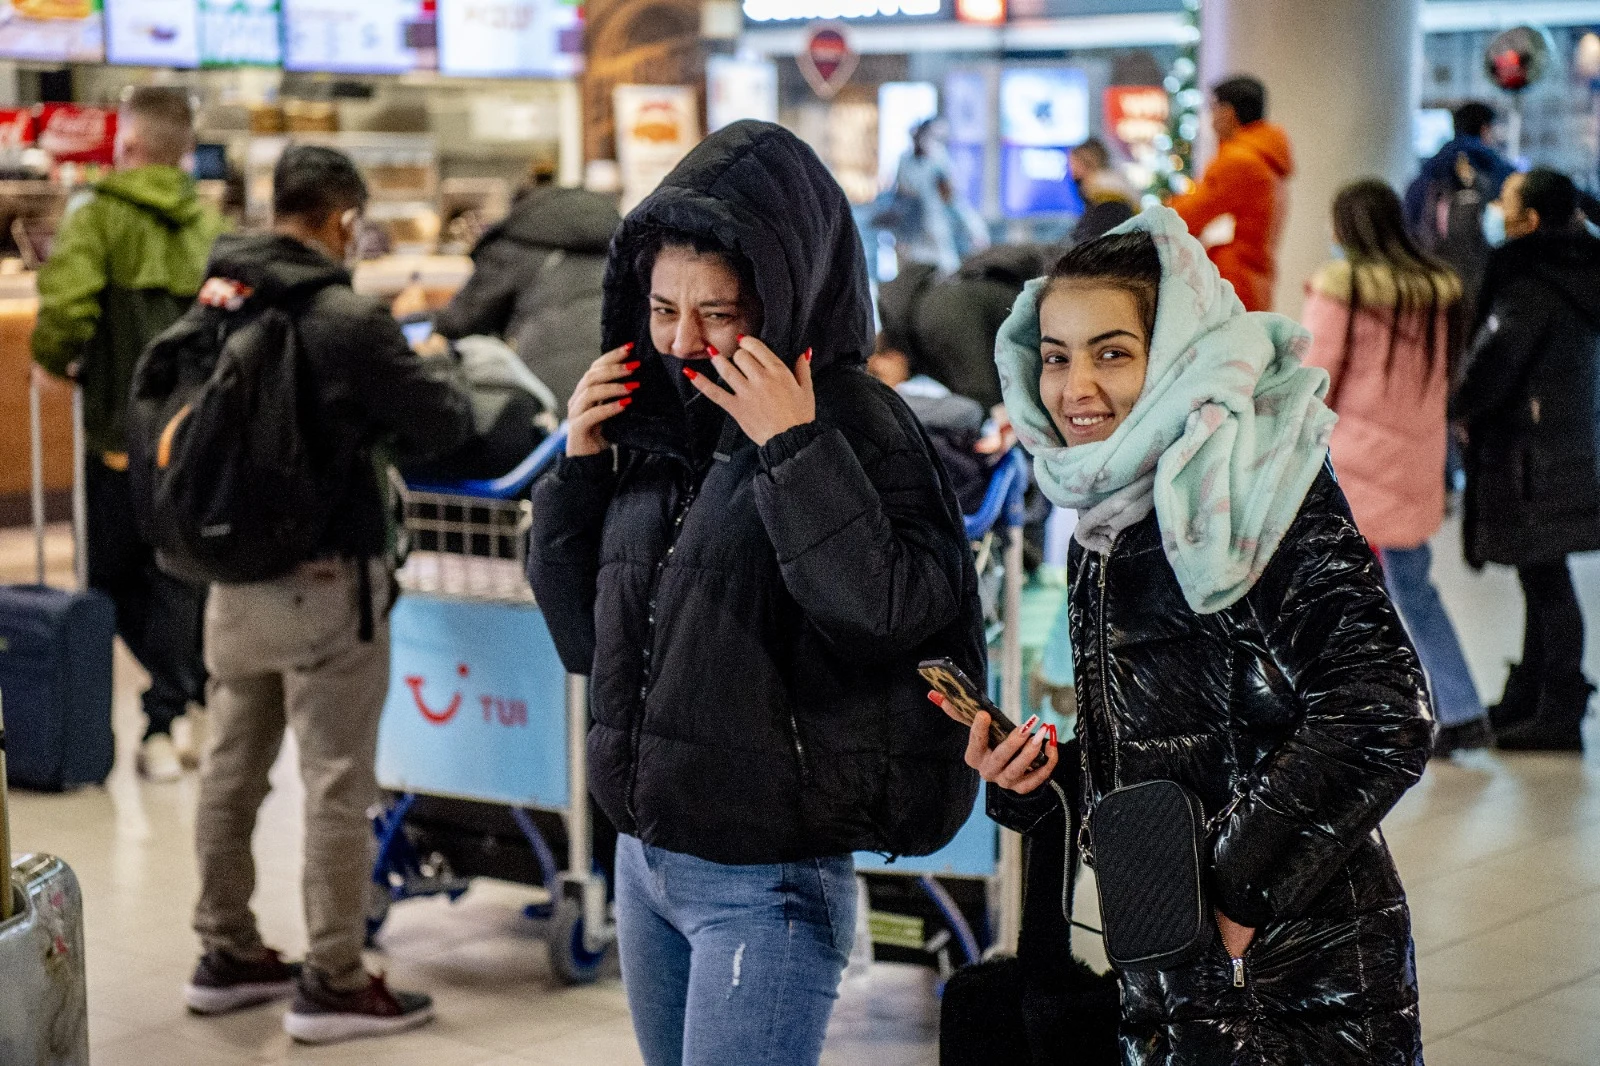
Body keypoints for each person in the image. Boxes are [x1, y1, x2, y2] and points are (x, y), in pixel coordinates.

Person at [528, 120, 984, 1066]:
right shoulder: (658, 417)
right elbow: (584, 638)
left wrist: (794, 450)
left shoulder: (859, 423)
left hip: (768, 880)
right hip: (643, 859)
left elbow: (890, 616)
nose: (682, 343)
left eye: (719, 314)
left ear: (786, 299)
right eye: (662, 309)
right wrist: (578, 465)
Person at [958, 208, 1432, 1065]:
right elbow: (1170, 742)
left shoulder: (1256, 487)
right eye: (1057, 357)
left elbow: (1382, 709)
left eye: (1111, 353)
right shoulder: (1106, 518)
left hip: (1295, 979)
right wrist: (1040, 781)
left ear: (1177, 353)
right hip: (1176, 970)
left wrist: (1235, 897)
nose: (1075, 388)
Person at [182, 146, 472, 1042]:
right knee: (337, 785)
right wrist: (433, 370)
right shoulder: (345, 317)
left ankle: (225, 952)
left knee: (231, 772)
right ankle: (334, 980)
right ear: (344, 220)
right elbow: (444, 421)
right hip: (324, 580)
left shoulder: (218, 294)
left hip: (231, 579)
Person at [31, 86, 224, 781]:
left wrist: (51, 361)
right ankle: (181, 708)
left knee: (108, 576)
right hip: (196, 434)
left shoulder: (97, 213)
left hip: (119, 431)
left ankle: (170, 712)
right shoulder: (211, 225)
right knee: (179, 574)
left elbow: (66, 306)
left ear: (130, 144)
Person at [1301, 179, 1489, 756]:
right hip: (1415, 461)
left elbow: (1315, 378)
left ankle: (1367, 717)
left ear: (1347, 227)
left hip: (1353, 464)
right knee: (1411, 587)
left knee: (1340, 593)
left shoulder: (1345, 289)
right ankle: (1459, 708)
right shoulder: (1437, 293)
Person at [1454, 168, 1600, 754]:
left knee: (1545, 580)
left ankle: (1557, 709)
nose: (1497, 207)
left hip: (1531, 452)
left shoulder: (1531, 283)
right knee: (1542, 575)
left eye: (1508, 202)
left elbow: (1496, 362)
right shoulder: (1575, 273)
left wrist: (1460, 405)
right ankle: (1533, 697)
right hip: (1562, 444)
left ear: (1532, 220)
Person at [434, 165, 622, 406]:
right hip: (617, 379)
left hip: (544, 389)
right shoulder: (615, 239)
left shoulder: (516, 240)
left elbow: (461, 322)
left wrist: (417, 319)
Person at [1170, 75, 1295, 312]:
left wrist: (1166, 209)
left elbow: (1187, 216)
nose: (1211, 119)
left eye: (1213, 108)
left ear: (1227, 112)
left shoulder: (1239, 161)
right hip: (1254, 277)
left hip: (1231, 281)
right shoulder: (1266, 158)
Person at [1404, 102, 1517, 322]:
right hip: (1483, 290)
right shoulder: (1496, 171)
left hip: (1430, 283)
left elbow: (1409, 226)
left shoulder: (1424, 177)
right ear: (1485, 129)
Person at [893, 117, 963, 275]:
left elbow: (951, 197)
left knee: (947, 270)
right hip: (913, 230)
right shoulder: (905, 160)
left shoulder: (939, 159)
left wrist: (975, 229)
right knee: (914, 273)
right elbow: (901, 196)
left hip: (937, 228)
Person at [1069, 138, 1139, 246]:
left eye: (1073, 164)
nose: (1071, 170)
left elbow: (1096, 239)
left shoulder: (1107, 196)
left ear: (1086, 164)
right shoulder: (1109, 190)